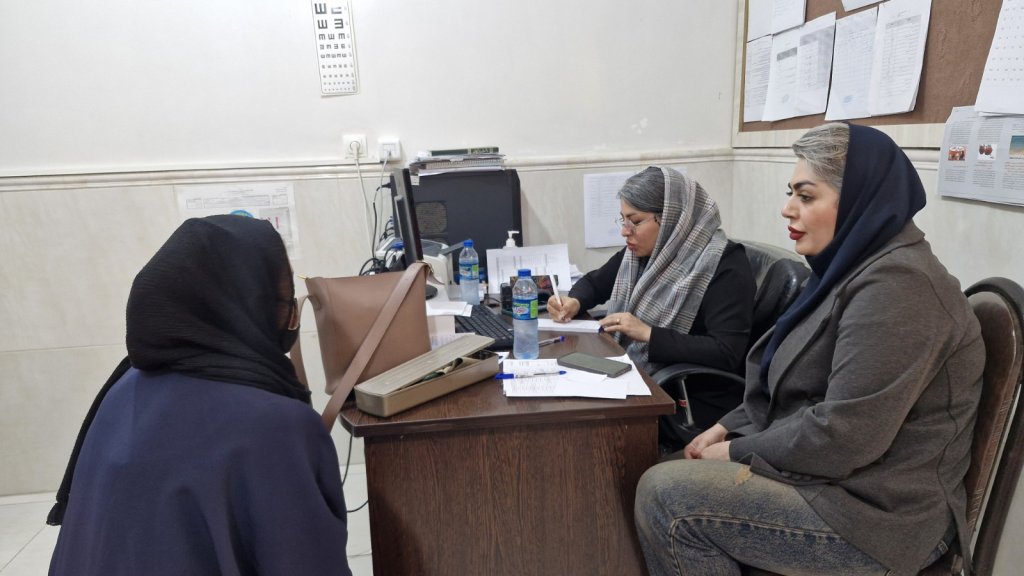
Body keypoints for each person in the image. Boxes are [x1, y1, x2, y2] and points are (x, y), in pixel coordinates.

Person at [634, 123, 985, 576]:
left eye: (806, 196)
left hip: (877, 516)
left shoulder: (900, 287)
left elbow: (845, 435)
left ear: (859, 198)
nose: (787, 209)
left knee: (668, 498)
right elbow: (790, 382)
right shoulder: (851, 267)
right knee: (663, 475)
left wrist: (738, 452)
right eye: (791, 194)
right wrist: (727, 427)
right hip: (840, 484)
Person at [48, 215, 353, 576]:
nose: (291, 316)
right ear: (248, 305)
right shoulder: (275, 424)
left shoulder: (122, 387)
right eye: (285, 301)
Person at [547, 166, 755, 444]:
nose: (624, 231)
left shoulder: (726, 266)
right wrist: (574, 300)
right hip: (647, 377)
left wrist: (648, 334)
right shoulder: (646, 253)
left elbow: (726, 351)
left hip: (689, 396)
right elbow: (596, 283)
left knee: (576, 423)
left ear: (671, 219)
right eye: (623, 220)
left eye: (635, 221)